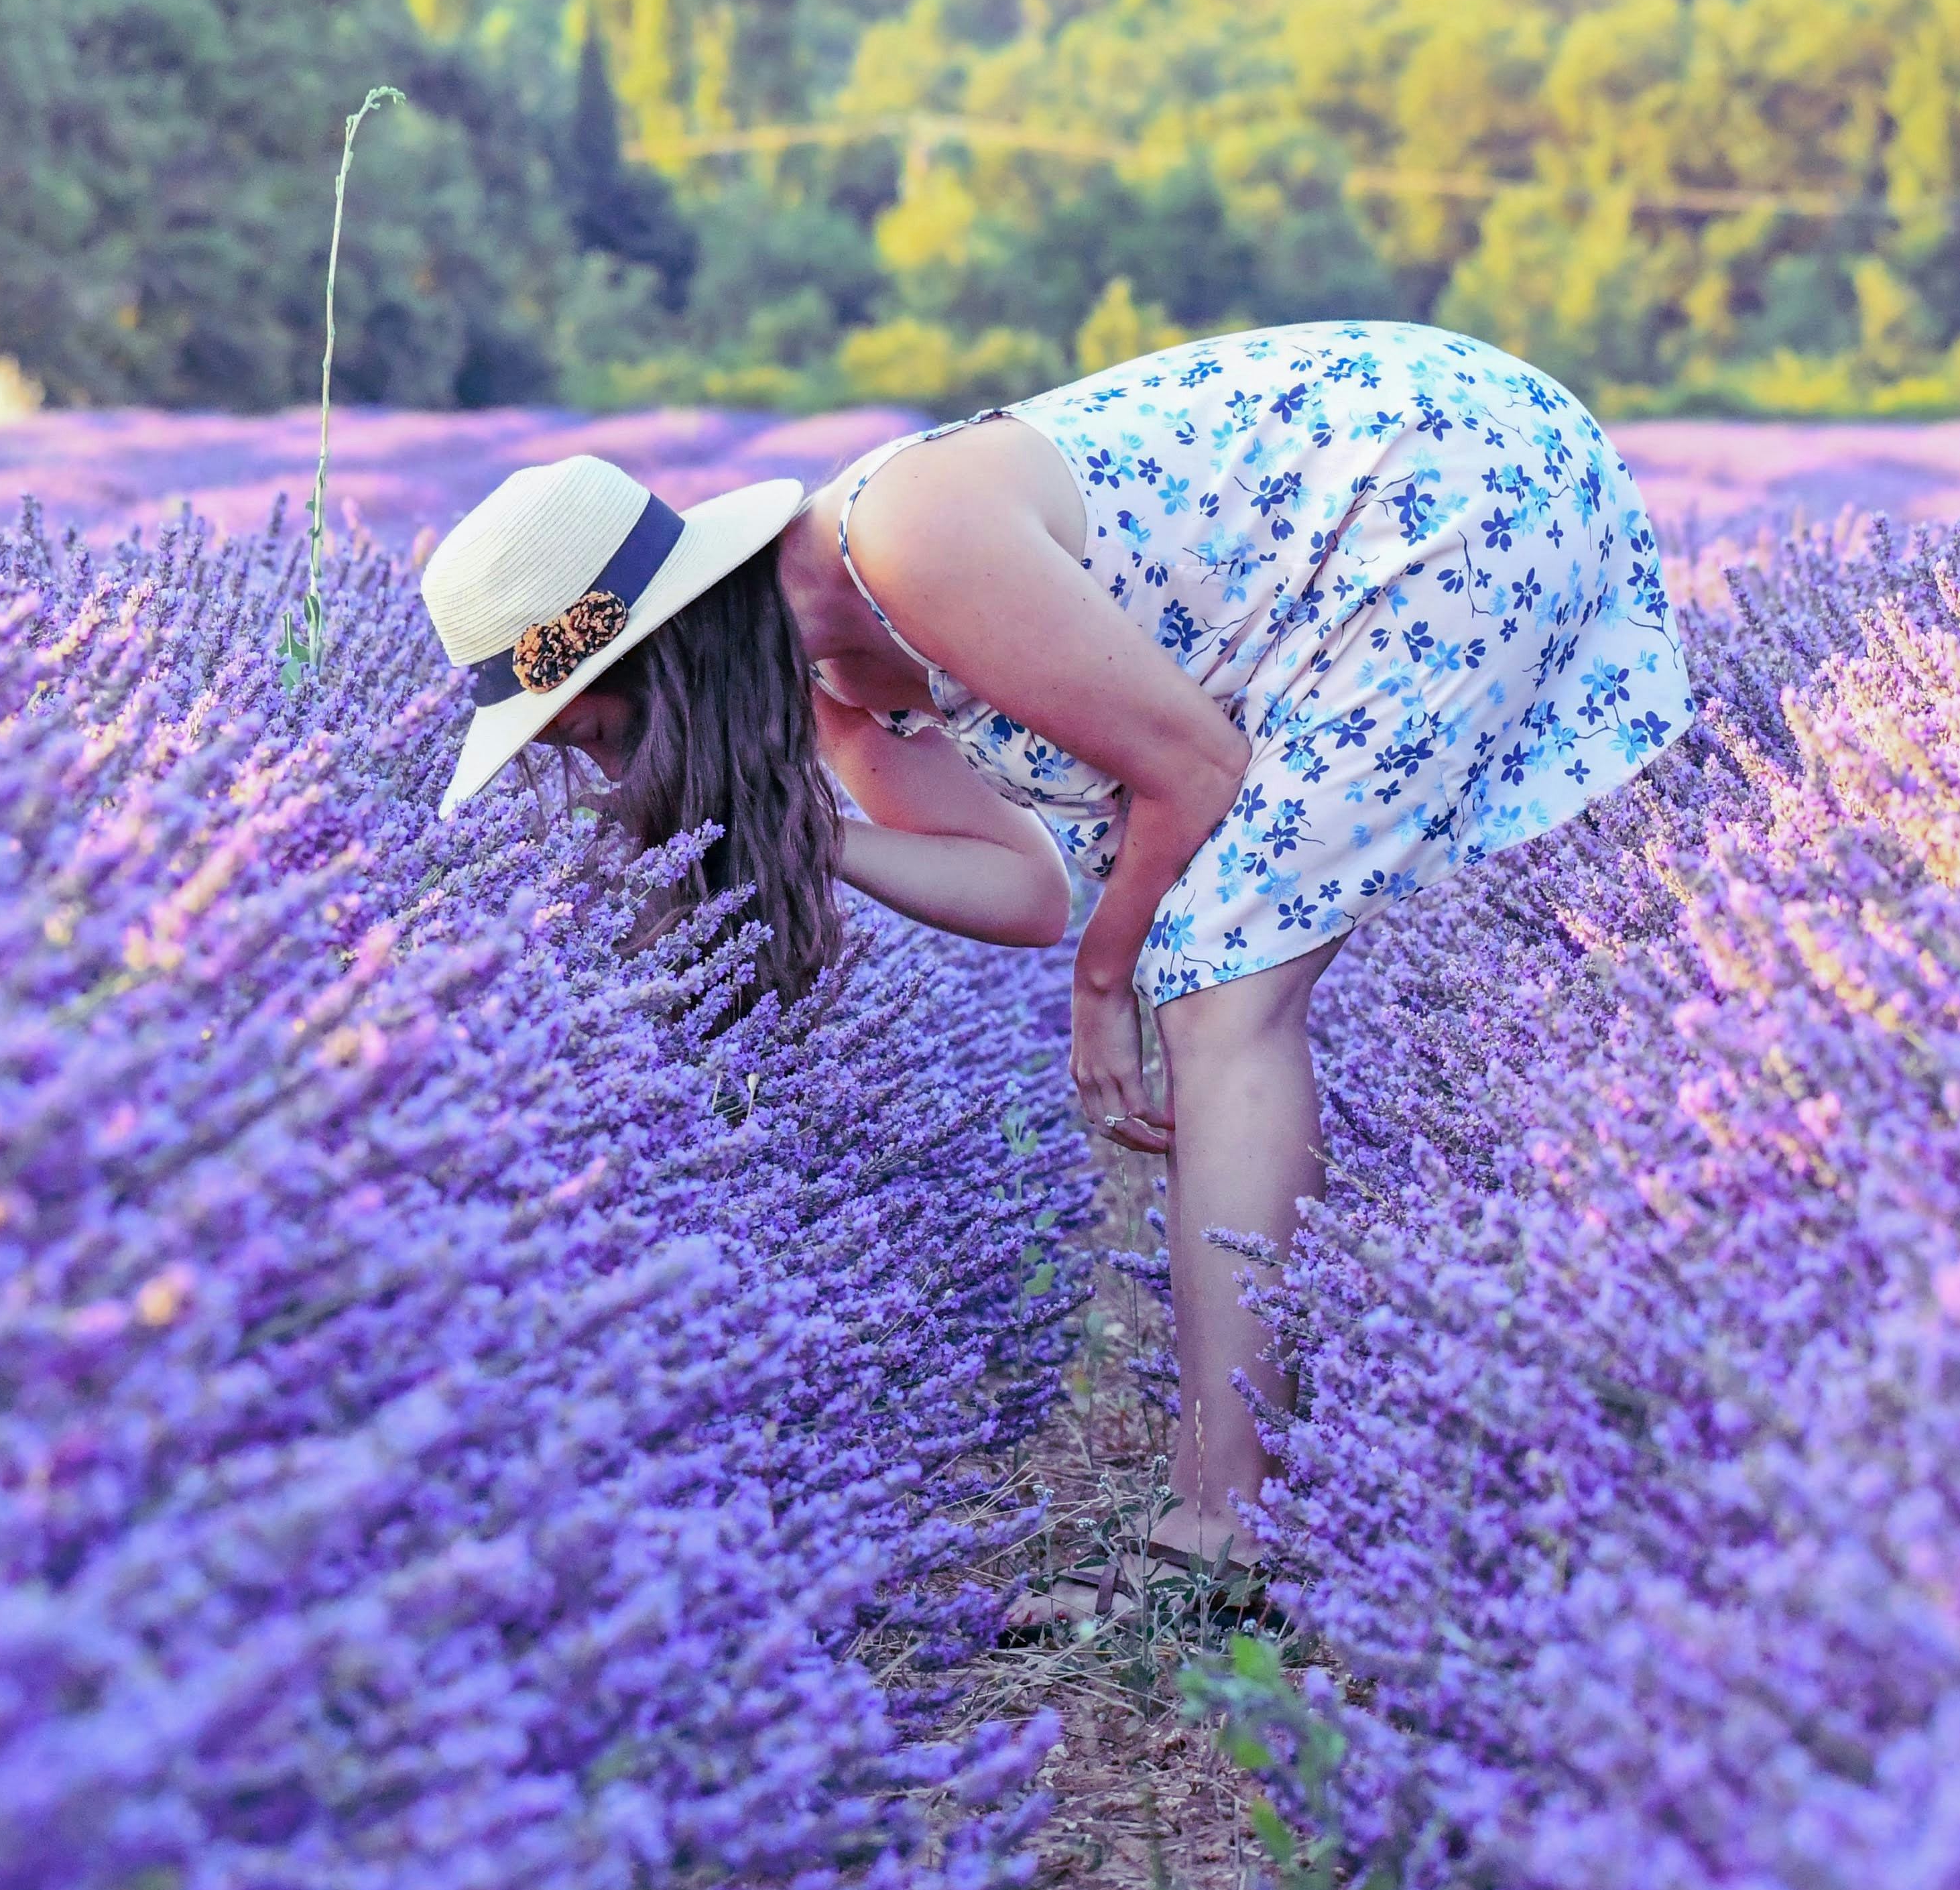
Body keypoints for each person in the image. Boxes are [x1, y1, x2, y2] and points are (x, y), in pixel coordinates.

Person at [418, 318, 1686, 1597]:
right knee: (1211, 968)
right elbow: (1026, 886)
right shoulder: (833, 688)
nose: (610, 771)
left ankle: (1224, 1527)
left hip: (1444, 481)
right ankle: (1244, 1496)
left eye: (595, 734)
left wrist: (1103, 986)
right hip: (1377, 526)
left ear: (657, 660)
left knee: (1216, 987)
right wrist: (816, 842)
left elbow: (1191, 772)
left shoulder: (905, 545)